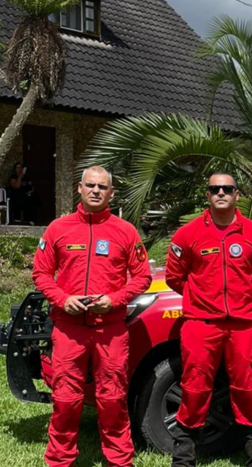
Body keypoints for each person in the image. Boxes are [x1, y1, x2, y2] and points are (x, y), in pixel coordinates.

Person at [32, 166, 152, 467]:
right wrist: (63, 299)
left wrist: (113, 300)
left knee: (112, 400)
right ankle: (60, 461)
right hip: (69, 329)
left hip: (110, 330)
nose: (96, 191)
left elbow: (142, 277)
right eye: (90, 185)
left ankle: (119, 461)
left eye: (102, 187)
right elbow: (41, 273)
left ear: (111, 193)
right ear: (79, 189)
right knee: (66, 401)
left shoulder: (125, 231)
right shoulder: (58, 229)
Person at [164, 174, 252, 467]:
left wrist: (243, 302)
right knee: (195, 386)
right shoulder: (187, 235)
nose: (221, 193)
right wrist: (202, 299)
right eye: (215, 189)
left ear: (237, 194)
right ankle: (184, 456)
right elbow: (175, 277)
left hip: (244, 325)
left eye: (227, 188)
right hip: (201, 324)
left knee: (247, 387)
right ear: (208, 195)